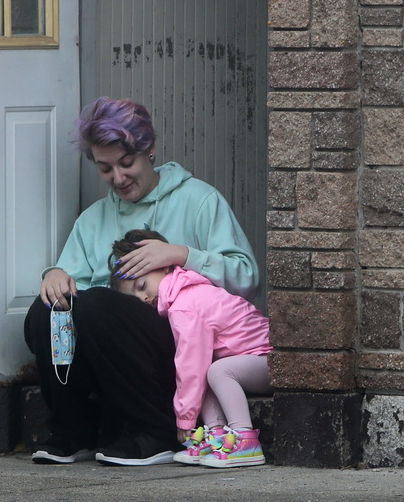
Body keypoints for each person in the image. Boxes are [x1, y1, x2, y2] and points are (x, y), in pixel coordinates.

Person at [23, 96, 260, 466]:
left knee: (101, 303)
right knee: (46, 312)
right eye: (105, 169)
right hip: (112, 351)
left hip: (185, 345)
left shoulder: (199, 200)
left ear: (149, 150)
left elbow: (246, 277)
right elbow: (74, 289)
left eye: (126, 163)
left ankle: (155, 431)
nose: (118, 178)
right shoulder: (93, 219)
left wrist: (183, 255)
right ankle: (73, 432)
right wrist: (54, 274)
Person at [109, 229, 272, 468]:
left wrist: (185, 420)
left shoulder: (185, 304)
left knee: (215, 371)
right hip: (252, 362)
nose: (143, 298)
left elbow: (190, 367)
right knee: (210, 371)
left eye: (142, 285)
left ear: (164, 266)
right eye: (135, 297)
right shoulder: (185, 293)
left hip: (269, 359)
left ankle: (245, 440)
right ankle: (217, 437)